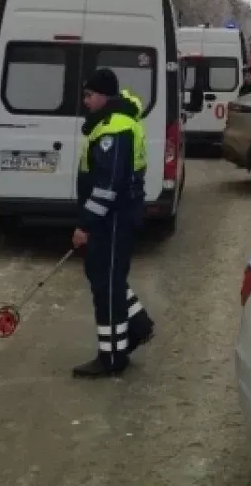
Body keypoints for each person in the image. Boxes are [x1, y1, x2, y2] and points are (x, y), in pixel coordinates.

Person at [72, 68, 154, 378]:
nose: (86, 101)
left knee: (106, 285)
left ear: (104, 96)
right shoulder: (109, 123)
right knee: (106, 278)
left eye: (89, 95)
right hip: (115, 216)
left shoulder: (115, 129)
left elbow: (108, 185)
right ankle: (137, 326)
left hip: (115, 217)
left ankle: (112, 356)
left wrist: (85, 224)